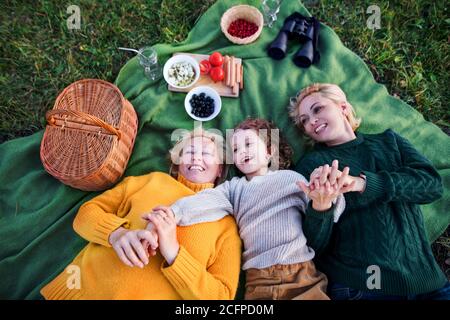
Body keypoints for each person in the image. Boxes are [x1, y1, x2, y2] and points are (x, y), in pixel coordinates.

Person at [146, 118, 351, 300]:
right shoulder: (234, 188)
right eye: (235, 150)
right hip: (258, 280)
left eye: (248, 144)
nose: (242, 151)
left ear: (269, 151)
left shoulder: (291, 179)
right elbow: (204, 200)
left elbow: (328, 210)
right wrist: (172, 213)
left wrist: (329, 191)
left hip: (301, 272)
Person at [289, 82, 450, 300]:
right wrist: (321, 207)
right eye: (304, 121)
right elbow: (313, 245)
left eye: (317, 109)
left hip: (427, 282)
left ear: (343, 108)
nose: (311, 121)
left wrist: (363, 184)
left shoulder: (389, 141)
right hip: (362, 285)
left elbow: (432, 186)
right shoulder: (312, 165)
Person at [40, 129, 242, 300]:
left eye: (207, 153)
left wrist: (174, 254)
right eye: (189, 151)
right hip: (82, 292)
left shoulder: (225, 223)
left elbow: (222, 296)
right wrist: (116, 234)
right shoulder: (150, 181)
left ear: (220, 169)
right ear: (177, 162)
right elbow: (85, 215)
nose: (196, 157)